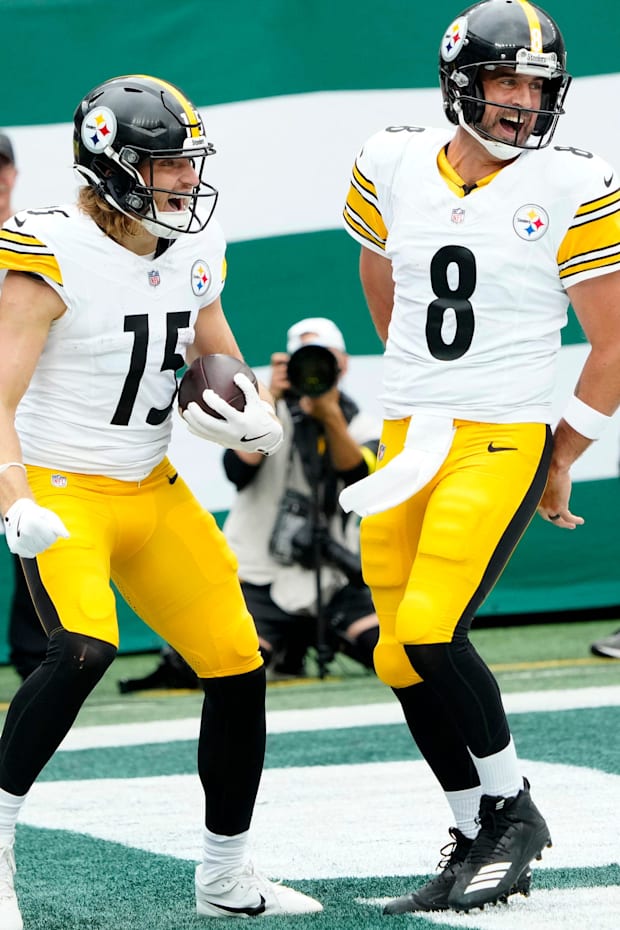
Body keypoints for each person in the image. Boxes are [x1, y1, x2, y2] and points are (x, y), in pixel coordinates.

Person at [0, 74, 323, 929]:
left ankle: (224, 877)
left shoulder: (191, 247)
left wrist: (254, 416)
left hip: (154, 487)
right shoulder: (50, 248)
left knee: (237, 664)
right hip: (65, 489)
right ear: (111, 165)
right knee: (79, 650)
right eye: (167, 163)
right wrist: (15, 498)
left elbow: (221, 359)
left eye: (189, 161)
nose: (186, 178)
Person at [340, 0, 620, 916]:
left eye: (539, 87)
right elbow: (379, 273)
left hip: (501, 436)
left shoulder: (573, 181)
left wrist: (562, 450)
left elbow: (613, 340)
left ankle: (515, 812)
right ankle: (473, 831)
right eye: (507, 82)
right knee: (395, 654)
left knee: (429, 630)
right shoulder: (390, 156)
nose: (524, 104)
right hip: (408, 434)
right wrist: (419, 382)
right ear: (462, 82)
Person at [222, 317, 381, 679]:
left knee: (387, 649)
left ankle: (313, 639)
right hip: (260, 578)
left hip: (331, 577)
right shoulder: (265, 417)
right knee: (238, 664)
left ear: (343, 364)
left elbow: (356, 474)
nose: (313, 370)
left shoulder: (362, 426)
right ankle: (285, 645)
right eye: (303, 361)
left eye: (323, 359)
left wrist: (328, 414)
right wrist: (268, 400)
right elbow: (237, 471)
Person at [0, 130, 50, 682]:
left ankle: (37, 657)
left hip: (23, 406)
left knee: (30, 525)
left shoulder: (37, 241)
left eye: (1, 166)